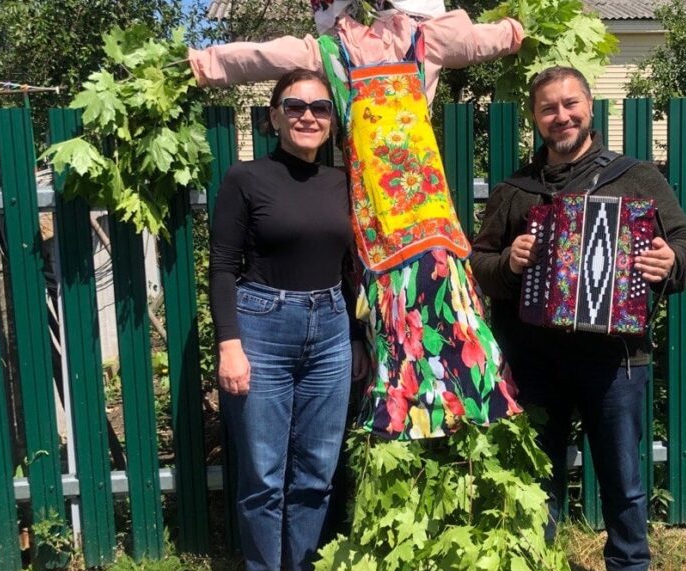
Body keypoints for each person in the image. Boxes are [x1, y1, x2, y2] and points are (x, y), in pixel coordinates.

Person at [190, 0, 525, 440]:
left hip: (430, 222)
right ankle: (405, 418)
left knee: (450, 323)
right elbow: (260, 57)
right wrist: (201, 65)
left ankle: (461, 414)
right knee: (395, 334)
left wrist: (517, 31)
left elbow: (485, 41)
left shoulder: (428, 41)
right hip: (378, 225)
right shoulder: (329, 52)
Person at [471, 66, 686, 571]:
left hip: (614, 362)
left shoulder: (635, 177)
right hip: (535, 360)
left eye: (570, 103)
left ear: (589, 106)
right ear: (535, 118)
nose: (562, 116)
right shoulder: (516, 190)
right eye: (548, 108)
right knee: (538, 480)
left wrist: (671, 260)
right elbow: (478, 263)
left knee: (622, 482)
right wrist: (509, 262)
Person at [210, 69, 366, 571]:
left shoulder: (344, 182)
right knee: (263, 467)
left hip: (332, 329)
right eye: (295, 106)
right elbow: (222, 266)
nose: (308, 116)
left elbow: (354, 265)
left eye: (320, 108)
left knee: (319, 465)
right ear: (274, 115)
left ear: (331, 120)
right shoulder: (246, 178)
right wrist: (229, 344)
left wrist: (360, 334)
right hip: (262, 327)